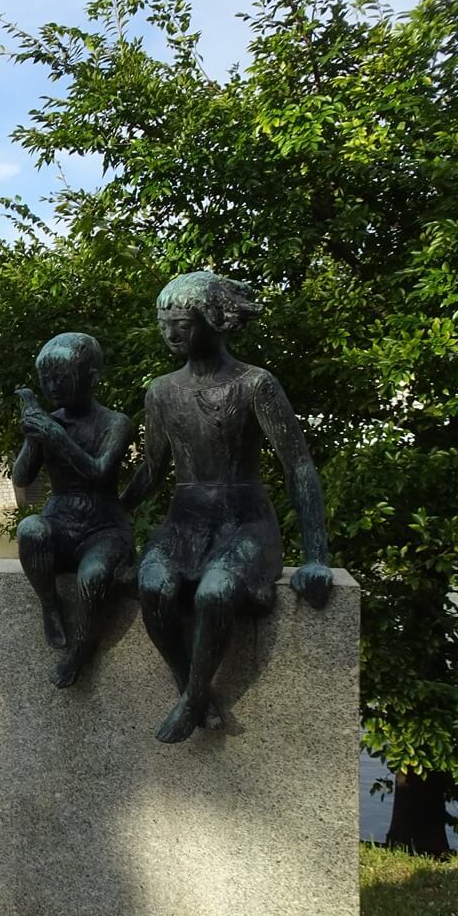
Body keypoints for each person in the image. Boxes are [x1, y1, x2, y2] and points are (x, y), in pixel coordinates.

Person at [123, 271, 333, 743]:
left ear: (213, 321)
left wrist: (317, 556)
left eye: (182, 323)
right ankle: (192, 690)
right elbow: (151, 474)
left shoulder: (254, 384)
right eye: (163, 324)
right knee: (153, 584)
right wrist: (109, 512)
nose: (170, 334)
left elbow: (298, 466)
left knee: (215, 592)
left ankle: (193, 699)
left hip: (244, 521)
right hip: (185, 521)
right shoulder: (160, 391)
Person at [13, 333, 135, 687]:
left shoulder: (115, 423)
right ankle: (49, 604)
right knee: (30, 530)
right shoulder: (50, 422)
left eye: (61, 379)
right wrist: (32, 438)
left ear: (92, 378)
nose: (53, 387)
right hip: (60, 521)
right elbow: (22, 477)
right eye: (47, 380)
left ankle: (82, 647)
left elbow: (99, 472)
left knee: (94, 575)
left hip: (104, 527)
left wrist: (55, 437)